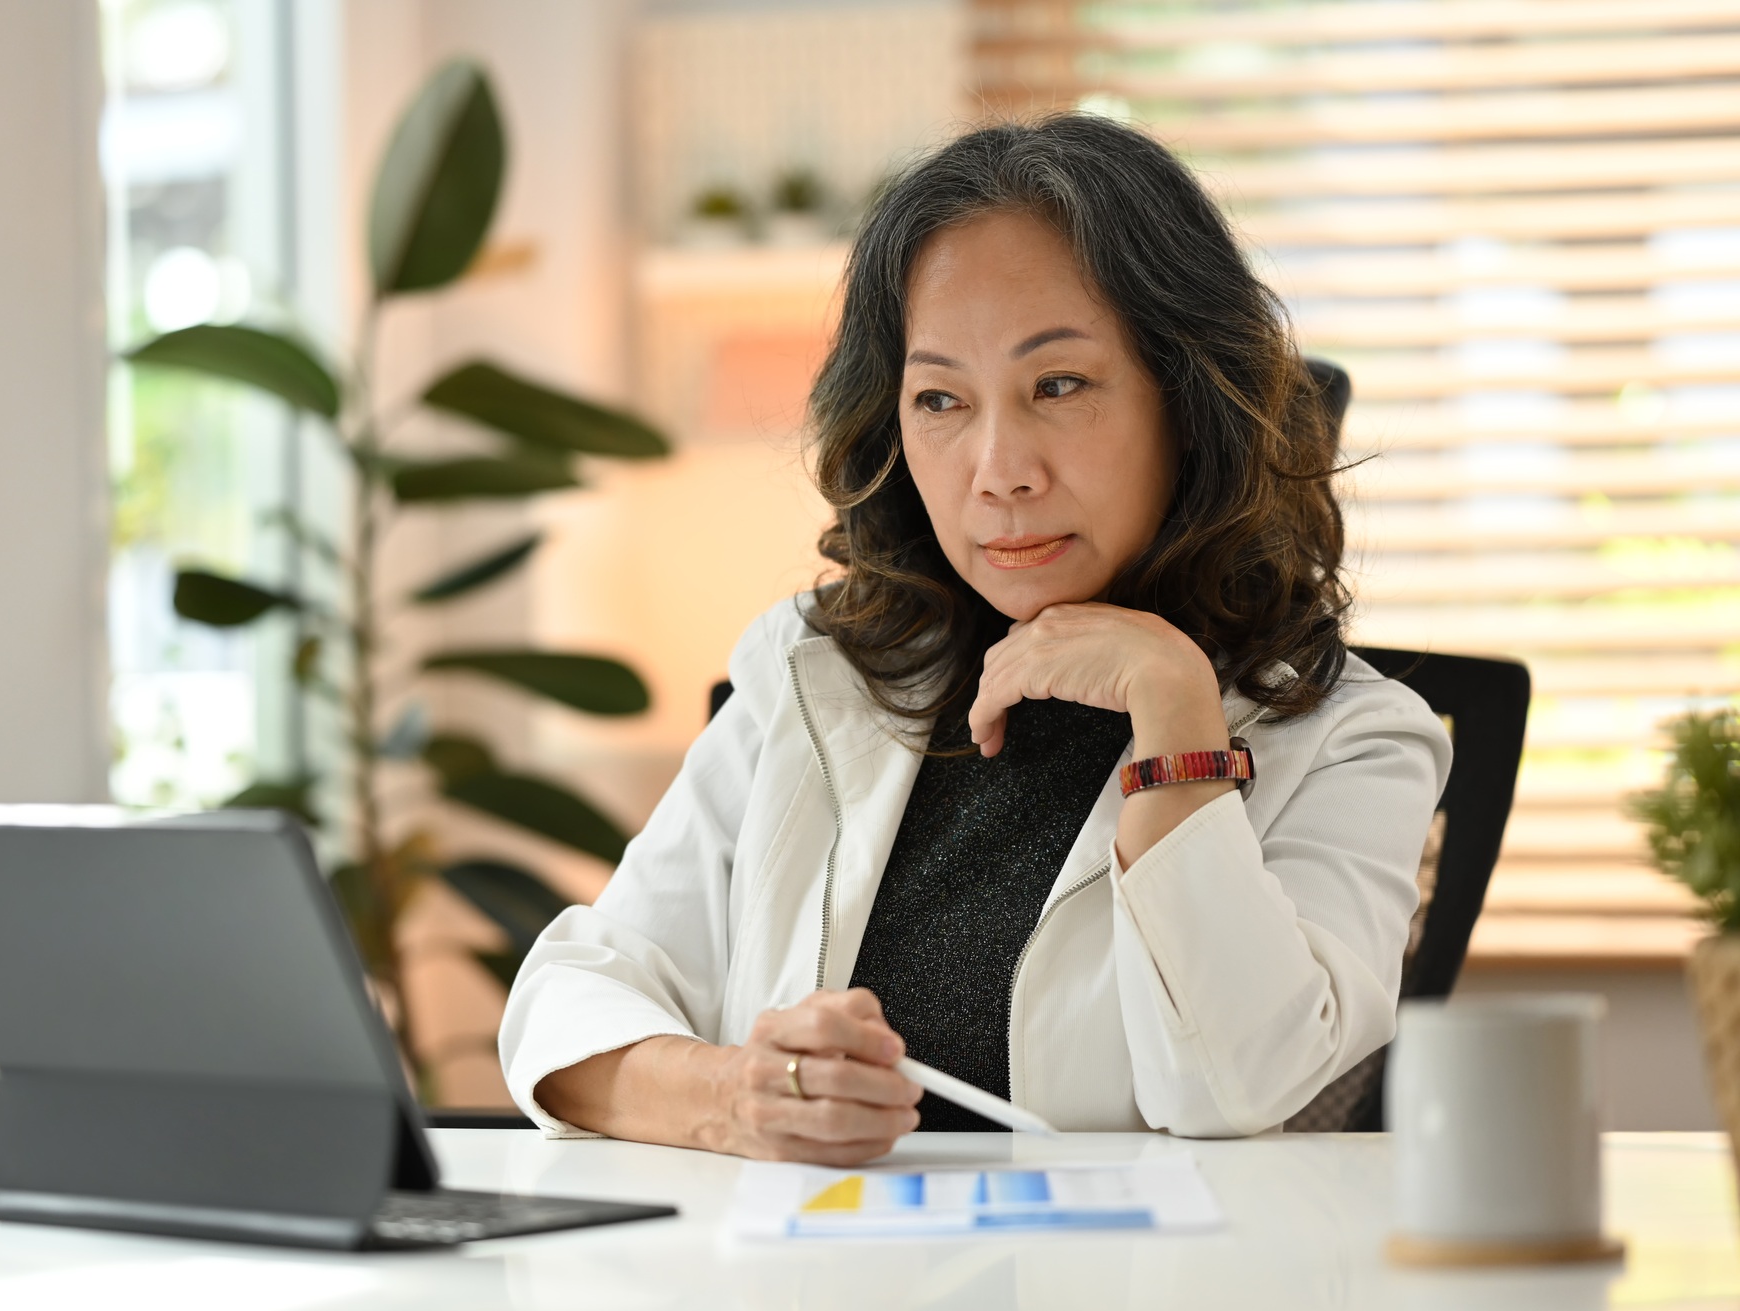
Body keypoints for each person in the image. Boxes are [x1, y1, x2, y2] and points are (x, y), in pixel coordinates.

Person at [498, 114, 1450, 1165]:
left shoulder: (1358, 738)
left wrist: (1173, 713)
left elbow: (1238, 1092)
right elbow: (566, 1000)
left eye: (1057, 386)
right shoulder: (818, 669)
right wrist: (738, 1096)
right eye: (941, 398)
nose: (997, 468)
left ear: (1185, 400)